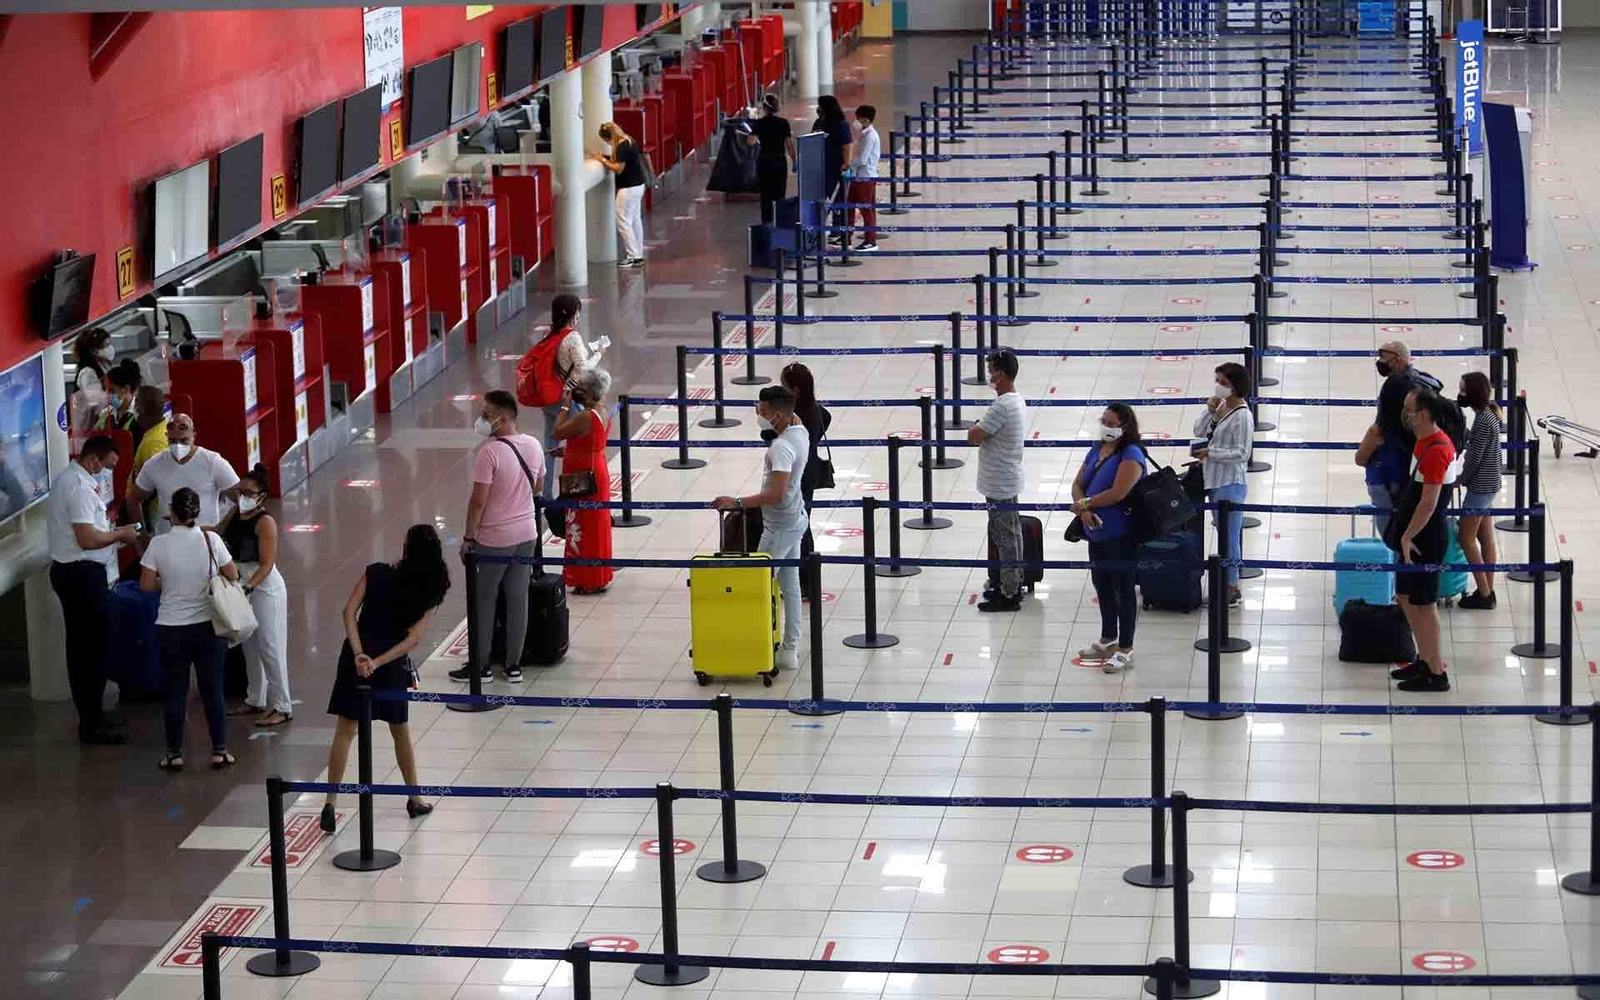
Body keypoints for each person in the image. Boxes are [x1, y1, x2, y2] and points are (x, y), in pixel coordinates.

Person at [321, 524, 451, 832]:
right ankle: (414, 797)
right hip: (390, 665)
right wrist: (378, 662)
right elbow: (413, 640)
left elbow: (348, 612)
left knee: (345, 731)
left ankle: (330, 802)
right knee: (400, 731)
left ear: (406, 548)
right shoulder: (431, 591)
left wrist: (358, 654)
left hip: (356, 659)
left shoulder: (376, 573)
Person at [47, 435, 139, 745]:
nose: (108, 473)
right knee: (90, 652)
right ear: (93, 460)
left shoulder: (71, 479)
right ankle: (91, 723)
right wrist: (119, 535)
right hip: (81, 576)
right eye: (108, 466)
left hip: (77, 574)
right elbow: (87, 539)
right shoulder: (79, 488)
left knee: (88, 649)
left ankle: (95, 714)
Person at [140, 487, 238, 771]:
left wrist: (168, 582)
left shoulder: (158, 544)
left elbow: (147, 585)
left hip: (171, 628)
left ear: (171, 513)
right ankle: (219, 751)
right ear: (197, 512)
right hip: (208, 626)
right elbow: (232, 573)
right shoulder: (212, 540)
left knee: (175, 692)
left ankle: (174, 754)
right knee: (212, 690)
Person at [713, 385, 809, 672]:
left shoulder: (781, 447)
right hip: (795, 518)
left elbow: (776, 492)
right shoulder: (799, 431)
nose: (759, 415)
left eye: (763, 411)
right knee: (790, 587)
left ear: (778, 414)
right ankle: (790, 648)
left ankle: (752, 644)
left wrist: (737, 502)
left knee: (755, 585)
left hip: (778, 526)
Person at [452, 390, 545, 683]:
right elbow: (539, 486)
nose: (481, 419)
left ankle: (480, 666)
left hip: (494, 539)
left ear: (502, 419)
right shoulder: (533, 444)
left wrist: (469, 537)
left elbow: (478, 501)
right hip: (527, 533)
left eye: (486, 414)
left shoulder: (489, 453)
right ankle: (513, 664)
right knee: (518, 599)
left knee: (485, 600)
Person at [1071, 404, 1148, 674]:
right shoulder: (1097, 448)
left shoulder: (1132, 454)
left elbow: (1118, 492)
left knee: (1123, 589)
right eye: (1103, 421)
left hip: (1122, 534)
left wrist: (1085, 503)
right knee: (1101, 583)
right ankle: (1108, 639)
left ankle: (1126, 648)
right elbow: (1077, 483)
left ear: (1125, 426)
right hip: (1095, 531)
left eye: (1111, 423)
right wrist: (1085, 510)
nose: (1105, 426)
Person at [1389, 388, 1458, 692]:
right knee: (1406, 597)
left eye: (1409, 409)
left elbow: (1428, 503)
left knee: (1425, 604)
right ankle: (1424, 658)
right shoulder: (1422, 441)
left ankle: (1436, 672)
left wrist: (1407, 536)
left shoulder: (1438, 449)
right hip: (1415, 533)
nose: (1405, 414)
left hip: (1425, 537)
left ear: (1425, 413)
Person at [220, 464, 293, 727]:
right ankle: (256, 698)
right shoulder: (234, 514)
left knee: (270, 646)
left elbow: (267, 564)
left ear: (261, 496)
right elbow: (216, 532)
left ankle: (282, 706)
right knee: (249, 644)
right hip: (241, 584)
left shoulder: (266, 522)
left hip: (264, 588)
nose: (242, 496)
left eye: (248, 492)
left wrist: (248, 588)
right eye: (240, 491)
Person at [1355, 341, 1441, 537]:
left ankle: (1398, 560)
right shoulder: (1423, 381)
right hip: (1413, 463)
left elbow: (1377, 431)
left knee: (1391, 532)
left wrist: (1360, 456)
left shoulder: (1394, 385)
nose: (1380, 362)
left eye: (1384, 358)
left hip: (1387, 467)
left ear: (1397, 359)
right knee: (1408, 522)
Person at [525, 294, 602, 504]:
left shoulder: (551, 334)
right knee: (581, 444)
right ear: (574, 313)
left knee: (550, 447)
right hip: (565, 401)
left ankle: (543, 495)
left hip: (548, 400)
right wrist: (599, 354)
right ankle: (578, 492)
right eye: (578, 311)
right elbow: (583, 370)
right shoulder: (572, 337)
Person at [968, 350, 1027, 613]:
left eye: (991, 370)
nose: (989, 375)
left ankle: (1010, 592)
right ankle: (1009, 581)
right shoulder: (1014, 400)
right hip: (1004, 478)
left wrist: (978, 427)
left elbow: (974, 434)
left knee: (1006, 535)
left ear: (1001, 373)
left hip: (1000, 482)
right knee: (1006, 532)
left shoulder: (1002, 406)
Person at [1192, 362, 1255, 609]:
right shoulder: (1219, 406)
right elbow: (1198, 430)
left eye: (1224, 383)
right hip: (1213, 480)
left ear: (1236, 386)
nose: (1219, 386)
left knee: (1230, 538)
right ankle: (1227, 583)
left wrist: (1211, 452)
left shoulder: (1243, 415)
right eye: (1217, 381)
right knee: (1223, 534)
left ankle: (1232, 587)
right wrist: (1208, 410)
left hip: (1231, 482)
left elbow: (1242, 453)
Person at [552, 368, 614, 595]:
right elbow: (590, 441)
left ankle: (586, 579)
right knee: (597, 526)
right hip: (596, 468)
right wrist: (568, 452)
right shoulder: (603, 411)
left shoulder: (585, 415)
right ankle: (598, 575)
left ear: (588, 392)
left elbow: (557, 432)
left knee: (582, 526)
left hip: (582, 476)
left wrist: (565, 406)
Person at [126, 413, 239, 534]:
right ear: (166, 436)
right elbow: (133, 500)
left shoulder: (213, 462)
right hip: (168, 545)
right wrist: (142, 536)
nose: (178, 446)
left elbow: (242, 498)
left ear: (194, 436)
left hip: (203, 543)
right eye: (173, 441)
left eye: (184, 440)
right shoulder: (155, 464)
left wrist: (222, 527)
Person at [779, 362, 833, 601]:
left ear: (795, 389)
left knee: (800, 526)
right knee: (801, 523)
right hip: (808, 471)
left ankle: (807, 582)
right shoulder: (814, 409)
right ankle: (803, 581)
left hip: (796, 475)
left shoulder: (795, 417)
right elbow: (827, 417)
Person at [1455, 371, 1503, 610]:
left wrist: (1461, 478)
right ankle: (1488, 588)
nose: (1460, 393)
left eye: (1463, 390)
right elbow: (1478, 443)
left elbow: (1475, 457)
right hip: (1490, 484)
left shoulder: (1484, 419)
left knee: (1465, 538)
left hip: (1480, 487)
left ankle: (1484, 594)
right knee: (1485, 539)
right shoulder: (1488, 415)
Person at [595, 121, 650, 268]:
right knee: (635, 220)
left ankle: (633, 256)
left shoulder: (621, 146)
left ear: (608, 137)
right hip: (639, 185)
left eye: (605, 140)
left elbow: (618, 168)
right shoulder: (629, 140)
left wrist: (602, 160)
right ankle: (639, 253)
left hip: (628, 188)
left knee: (623, 222)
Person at [746, 94, 797, 224]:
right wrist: (795, 161)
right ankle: (778, 223)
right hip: (779, 162)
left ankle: (766, 223)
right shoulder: (783, 123)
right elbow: (789, 146)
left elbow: (751, 142)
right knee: (779, 194)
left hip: (764, 162)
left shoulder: (759, 123)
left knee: (765, 195)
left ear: (764, 107)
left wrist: (753, 129)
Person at [812, 96, 853, 234]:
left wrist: (847, 162)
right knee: (822, 198)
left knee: (836, 199)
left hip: (836, 168)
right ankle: (822, 227)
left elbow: (847, 145)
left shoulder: (841, 124)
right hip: (819, 167)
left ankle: (837, 230)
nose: (818, 109)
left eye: (820, 106)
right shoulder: (819, 122)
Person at [845, 105, 882, 252]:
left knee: (866, 210)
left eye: (858, 118)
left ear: (865, 119)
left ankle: (870, 241)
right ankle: (846, 236)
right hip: (858, 177)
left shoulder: (870, 136)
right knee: (849, 206)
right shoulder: (865, 134)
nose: (856, 121)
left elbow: (862, 160)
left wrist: (847, 164)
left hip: (865, 178)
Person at [95, 360, 144, 442]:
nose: (107, 395)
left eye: (111, 391)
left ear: (125, 389)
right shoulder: (105, 414)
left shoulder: (141, 415)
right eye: (105, 390)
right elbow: (93, 437)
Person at [72, 327, 114, 395]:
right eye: (106, 346)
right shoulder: (88, 372)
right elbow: (93, 400)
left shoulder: (105, 364)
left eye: (110, 344)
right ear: (94, 351)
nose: (110, 348)